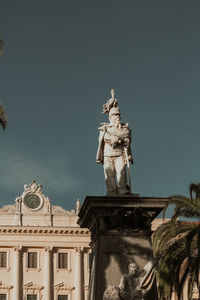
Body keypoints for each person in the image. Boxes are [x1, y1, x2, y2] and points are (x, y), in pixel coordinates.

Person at [96, 91, 133, 195]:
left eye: (117, 115)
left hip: (119, 153)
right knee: (110, 175)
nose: (116, 117)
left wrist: (117, 138)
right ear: (110, 117)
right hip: (108, 154)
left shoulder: (125, 128)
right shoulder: (105, 128)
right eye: (114, 115)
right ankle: (111, 191)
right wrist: (114, 138)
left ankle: (123, 190)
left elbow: (126, 136)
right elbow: (105, 138)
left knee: (122, 173)